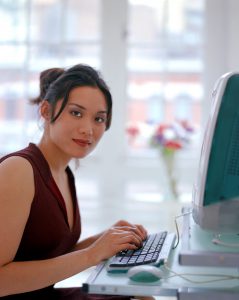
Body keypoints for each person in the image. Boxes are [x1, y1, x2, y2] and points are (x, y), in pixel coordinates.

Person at [0, 64, 148, 299]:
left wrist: (105, 239)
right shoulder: (19, 169)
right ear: (46, 111)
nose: (88, 129)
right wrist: (92, 255)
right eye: (76, 113)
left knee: (139, 294)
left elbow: (46, 255)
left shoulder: (63, 173)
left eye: (99, 119)